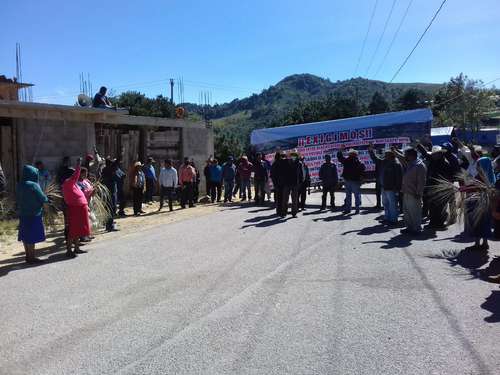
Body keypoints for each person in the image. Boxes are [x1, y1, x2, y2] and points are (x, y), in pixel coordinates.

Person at [417, 144, 454, 229]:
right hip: (431, 187)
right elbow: (425, 154)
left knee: (440, 207)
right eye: (433, 154)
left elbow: (448, 178)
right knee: (432, 206)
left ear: (440, 154)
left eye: (436, 154)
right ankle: (433, 222)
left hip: (440, 189)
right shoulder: (433, 161)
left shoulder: (445, 164)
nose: (433, 155)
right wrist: (419, 145)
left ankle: (440, 223)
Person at [16, 165, 48, 263]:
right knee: (32, 237)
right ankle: (31, 258)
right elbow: (43, 198)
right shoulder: (33, 185)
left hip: (23, 214)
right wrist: (46, 202)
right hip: (34, 214)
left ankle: (27, 256)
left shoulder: (19, 185)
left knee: (26, 237)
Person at [62, 158, 91, 257]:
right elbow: (76, 174)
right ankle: (69, 250)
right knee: (72, 230)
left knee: (77, 229)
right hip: (75, 209)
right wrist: (78, 164)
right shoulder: (68, 182)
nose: (75, 176)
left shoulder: (72, 184)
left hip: (79, 208)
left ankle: (76, 248)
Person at [368, 144, 402, 225]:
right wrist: (370, 151)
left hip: (392, 188)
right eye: (385, 154)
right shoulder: (383, 162)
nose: (385, 155)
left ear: (392, 155)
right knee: (385, 204)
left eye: (387, 154)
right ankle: (387, 218)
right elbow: (375, 158)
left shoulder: (396, 164)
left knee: (392, 204)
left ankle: (393, 220)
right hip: (384, 187)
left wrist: (398, 189)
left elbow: (399, 178)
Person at [396, 147, 427, 235]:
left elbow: (422, 181)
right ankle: (409, 227)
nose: (405, 156)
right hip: (406, 191)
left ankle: (416, 229)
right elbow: (401, 158)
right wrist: (395, 151)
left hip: (414, 193)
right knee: (407, 211)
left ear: (411, 156)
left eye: (406, 155)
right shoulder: (410, 163)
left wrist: (419, 193)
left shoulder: (419, 165)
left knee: (415, 211)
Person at [337, 145, 365, 214]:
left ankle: (349, 209)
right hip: (352, 181)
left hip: (350, 180)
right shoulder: (358, 162)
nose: (350, 154)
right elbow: (363, 171)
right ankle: (356, 209)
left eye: (351, 153)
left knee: (350, 195)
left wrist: (340, 150)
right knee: (355, 195)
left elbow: (340, 158)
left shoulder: (349, 160)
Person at [282, 151, 304, 218]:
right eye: (292, 155)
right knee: (285, 199)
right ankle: (284, 213)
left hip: (295, 183)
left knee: (294, 199)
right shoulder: (286, 162)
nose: (293, 156)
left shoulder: (299, 163)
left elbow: (301, 174)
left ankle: (294, 213)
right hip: (287, 183)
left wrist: (300, 183)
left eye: (295, 155)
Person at [271, 151, 287, 217]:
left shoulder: (274, 164)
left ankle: (279, 211)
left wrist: (275, 183)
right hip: (283, 183)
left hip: (277, 184)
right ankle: (282, 212)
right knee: (283, 198)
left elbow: (272, 175)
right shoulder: (283, 163)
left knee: (279, 198)